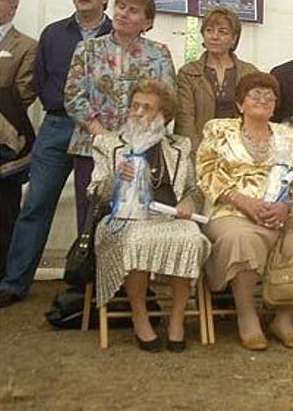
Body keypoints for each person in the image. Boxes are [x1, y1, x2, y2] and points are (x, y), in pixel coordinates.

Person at [0, 0, 113, 308]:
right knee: (36, 204)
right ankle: (14, 282)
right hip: (58, 126)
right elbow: (39, 78)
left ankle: (83, 286)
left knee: (90, 209)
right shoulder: (54, 34)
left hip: (97, 130)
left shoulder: (117, 32)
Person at [197, 72, 293, 351]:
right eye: (255, 95)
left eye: (269, 96)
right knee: (242, 240)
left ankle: (283, 319)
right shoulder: (218, 129)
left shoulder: (289, 136)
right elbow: (206, 174)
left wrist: (288, 206)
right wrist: (243, 202)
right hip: (231, 211)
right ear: (240, 104)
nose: (263, 100)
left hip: (279, 212)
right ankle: (247, 316)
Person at [90, 80, 210, 352]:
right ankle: (140, 317)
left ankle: (177, 320)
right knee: (135, 240)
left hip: (170, 217)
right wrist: (115, 179)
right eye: (135, 106)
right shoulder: (109, 144)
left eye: (147, 108)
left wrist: (190, 202)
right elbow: (95, 193)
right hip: (124, 220)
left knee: (190, 237)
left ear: (164, 116)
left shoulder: (180, 146)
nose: (139, 112)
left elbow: (194, 188)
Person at [64, 0, 176, 223]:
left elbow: (168, 101)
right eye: (121, 7)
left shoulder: (159, 53)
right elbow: (73, 96)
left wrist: (135, 141)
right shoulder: (88, 49)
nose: (123, 13)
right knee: (90, 217)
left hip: (143, 149)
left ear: (147, 22)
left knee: (136, 216)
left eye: (133, 11)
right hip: (92, 146)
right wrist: (104, 137)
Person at [175, 7, 259, 153]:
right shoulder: (188, 73)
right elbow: (185, 119)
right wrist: (199, 155)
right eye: (209, 30)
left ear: (234, 39)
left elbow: (256, 116)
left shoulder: (250, 72)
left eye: (222, 32)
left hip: (240, 152)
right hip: (199, 150)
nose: (214, 36)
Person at [0, 0, 37, 282]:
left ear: (13, 6)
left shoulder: (26, 46)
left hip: (4, 141)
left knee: (3, 209)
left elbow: (23, 92)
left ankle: (2, 272)